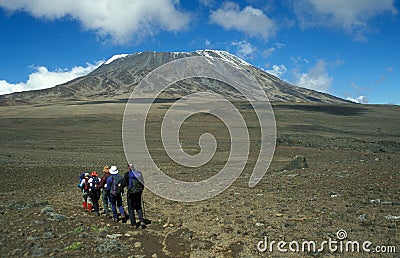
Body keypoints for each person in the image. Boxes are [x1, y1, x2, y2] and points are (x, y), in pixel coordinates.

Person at [122, 163, 146, 228]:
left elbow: (123, 183)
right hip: (138, 192)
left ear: (128, 167)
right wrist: (141, 189)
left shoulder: (127, 174)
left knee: (131, 208)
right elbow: (142, 182)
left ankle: (133, 224)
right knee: (138, 206)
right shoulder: (139, 173)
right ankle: (141, 220)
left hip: (131, 193)